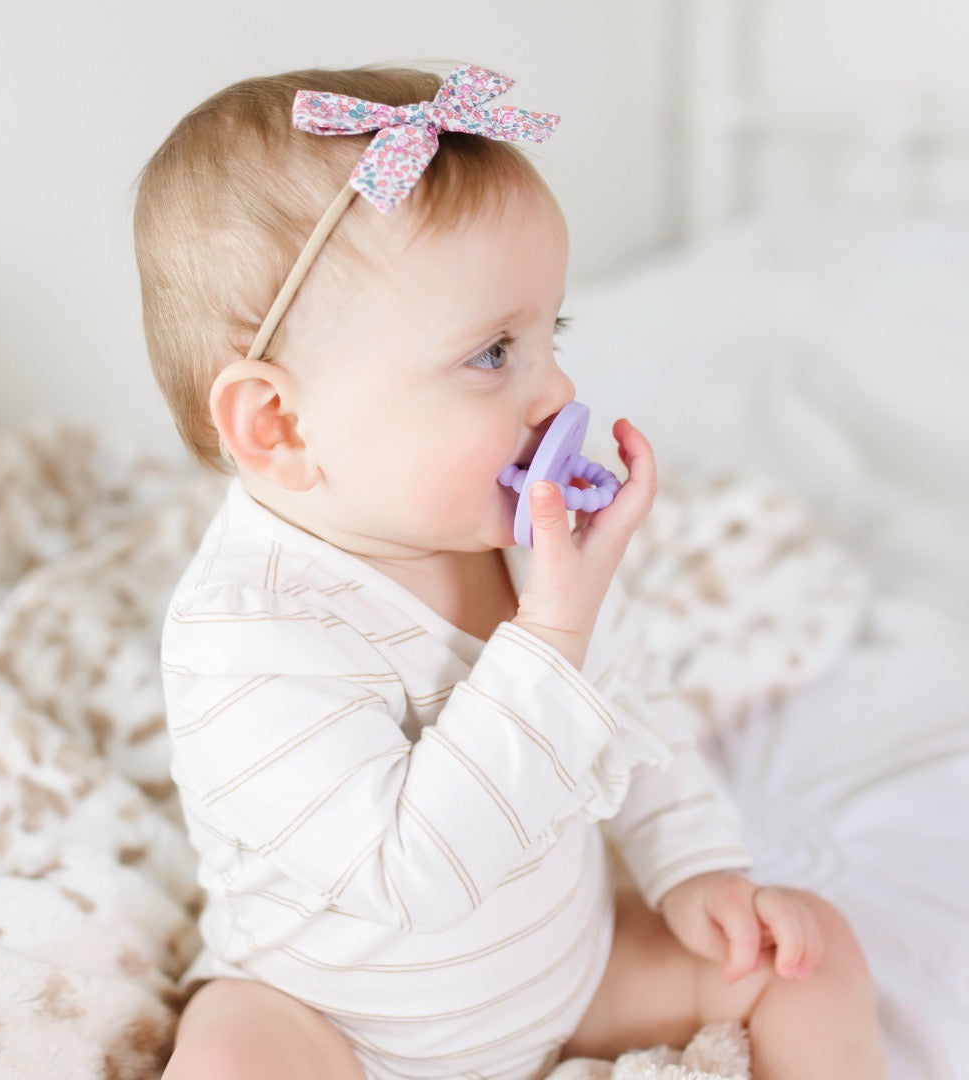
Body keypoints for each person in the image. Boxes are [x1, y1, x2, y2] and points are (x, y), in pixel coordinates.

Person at [133, 64, 886, 1080]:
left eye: (549, 334)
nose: (558, 390)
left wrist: (695, 868)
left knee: (805, 950)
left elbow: (632, 704)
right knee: (233, 1060)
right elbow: (414, 875)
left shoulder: (523, 547)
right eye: (492, 354)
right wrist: (552, 635)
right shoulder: (248, 631)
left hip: (567, 978)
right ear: (279, 425)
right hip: (337, 1023)